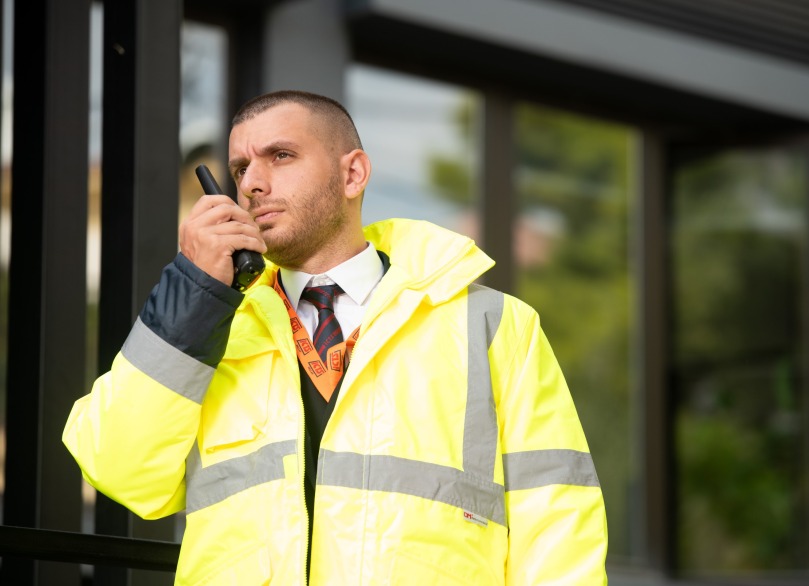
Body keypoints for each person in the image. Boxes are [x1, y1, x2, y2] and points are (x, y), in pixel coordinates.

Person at [63, 90, 608, 584]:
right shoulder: (207, 326)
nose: (252, 182)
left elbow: (558, 527)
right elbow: (120, 469)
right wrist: (194, 291)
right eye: (240, 166)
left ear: (353, 175)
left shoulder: (494, 323)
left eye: (280, 156)